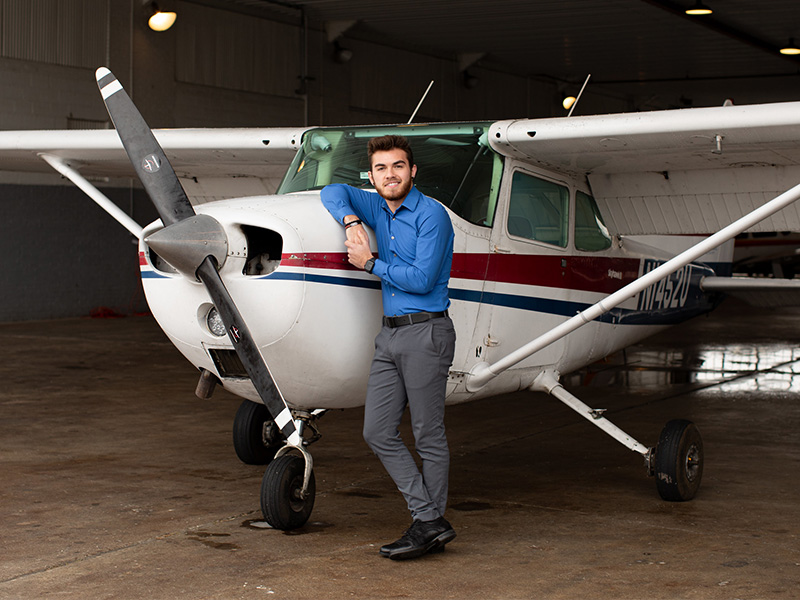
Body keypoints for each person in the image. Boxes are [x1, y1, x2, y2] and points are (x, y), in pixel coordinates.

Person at [320, 135, 457, 560]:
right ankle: (430, 520)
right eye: (381, 169)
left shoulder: (432, 215)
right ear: (372, 175)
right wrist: (350, 221)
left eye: (398, 166)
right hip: (390, 335)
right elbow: (332, 190)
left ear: (413, 172)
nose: (389, 175)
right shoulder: (376, 206)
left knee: (427, 435)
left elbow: (420, 279)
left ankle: (427, 523)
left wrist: (369, 263)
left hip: (426, 333)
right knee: (377, 430)